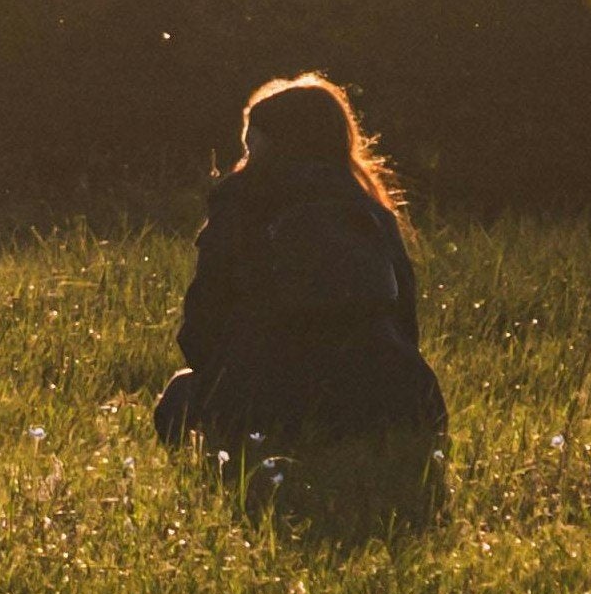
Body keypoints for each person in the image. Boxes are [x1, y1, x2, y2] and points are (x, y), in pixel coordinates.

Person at [155, 74, 447, 533]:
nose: (244, 161)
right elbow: (406, 326)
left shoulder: (241, 205)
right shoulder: (371, 211)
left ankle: (220, 479)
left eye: (252, 149)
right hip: (397, 404)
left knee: (177, 396)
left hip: (269, 406)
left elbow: (201, 334)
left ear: (268, 149)